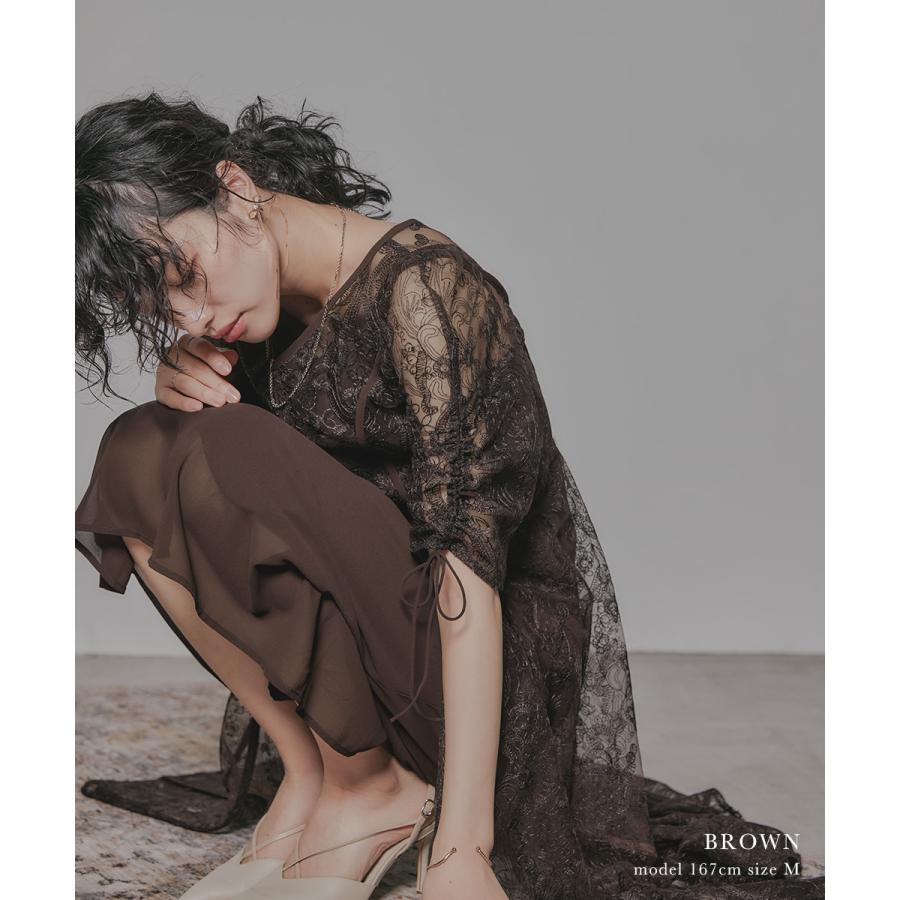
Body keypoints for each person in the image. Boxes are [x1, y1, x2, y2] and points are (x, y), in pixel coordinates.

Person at [75, 93, 824, 900]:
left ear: (236, 187)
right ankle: (313, 775)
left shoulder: (427, 289)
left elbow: (470, 562)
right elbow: (260, 507)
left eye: (185, 275)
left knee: (213, 447)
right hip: (381, 649)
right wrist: (191, 388)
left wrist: (466, 843)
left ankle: (378, 791)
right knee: (140, 448)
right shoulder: (255, 305)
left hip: (482, 681)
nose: (192, 314)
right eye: (162, 306)